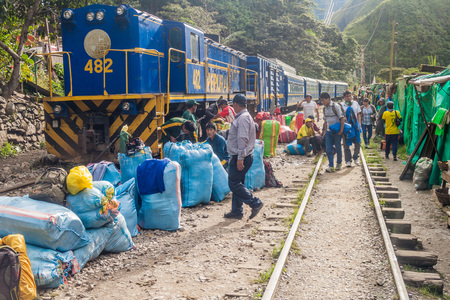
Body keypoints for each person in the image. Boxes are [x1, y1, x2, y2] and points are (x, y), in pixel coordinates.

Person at [224, 94, 263, 219]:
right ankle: (237, 211)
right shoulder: (245, 116)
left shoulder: (243, 118)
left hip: (243, 156)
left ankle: (255, 202)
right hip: (240, 155)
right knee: (238, 182)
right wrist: (234, 155)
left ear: (235, 104)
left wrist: (240, 157)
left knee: (233, 183)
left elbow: (242, 138)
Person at [321, 92, 345, 172]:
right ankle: (331, 165)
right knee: (328, 149)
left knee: (338, 148)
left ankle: (339, 163)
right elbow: (325, 121)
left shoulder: (335, 106)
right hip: (328, 131)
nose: (322, 102)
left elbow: (342, 118)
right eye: (321, 101)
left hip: (337, 132)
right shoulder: (324, 109)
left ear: (328, 99)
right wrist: (324, 131)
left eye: (323, 100)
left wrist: (341, 130)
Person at [342, 90, 361, 167]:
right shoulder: (342, 105)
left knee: (357, 142)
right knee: (346, 144)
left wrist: (359, 124)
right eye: (347, 96)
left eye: (350, 96)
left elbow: (358, 114)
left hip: (355, 126)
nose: (349, 98)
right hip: (346, 127)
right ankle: (348, 160)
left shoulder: (355, 103)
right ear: (344, 97)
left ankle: (356, 157)